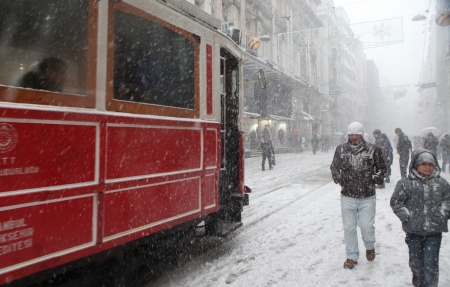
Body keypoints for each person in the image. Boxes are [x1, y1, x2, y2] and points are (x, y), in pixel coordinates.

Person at [330, 122, 386, 269]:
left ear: (362, 135)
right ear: (348, 135)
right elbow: (334, 167)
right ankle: (351, 255)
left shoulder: (373, 150)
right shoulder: (341, 149)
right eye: (351, 134)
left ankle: (369, 245)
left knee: (366, 225)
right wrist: (339, 179)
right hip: (347, 195)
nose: (354, 137)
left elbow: (382, 168)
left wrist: (374, 180)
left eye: (357, 134)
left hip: (367, 196)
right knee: (349, 227)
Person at [390, 149, 450, 287]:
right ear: (416, 165)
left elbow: (447, 201)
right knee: (415, 262)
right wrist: (407, 216)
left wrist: (443, 214)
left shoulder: (442, 184)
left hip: (434, 232)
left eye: (430, 164)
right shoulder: (406, 183)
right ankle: (417, 276)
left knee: (430, 265)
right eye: (423, 164)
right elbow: (396, 202)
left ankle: (429, 284)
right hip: (414, 232)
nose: (427, 167)